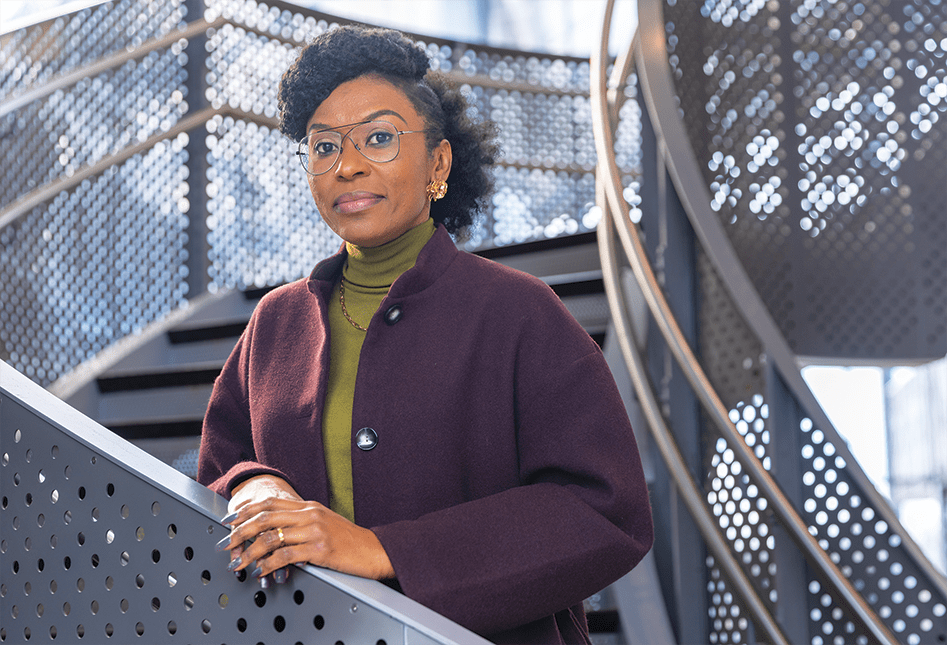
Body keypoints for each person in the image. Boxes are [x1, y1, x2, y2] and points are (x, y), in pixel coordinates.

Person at [197, 25, 653, 645]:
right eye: (323, 146)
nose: (347, 165)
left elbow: (603, 512)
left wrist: (384, 550)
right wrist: (254, 482)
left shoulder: (521, 313)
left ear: (438, 162)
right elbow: (219, 465)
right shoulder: (276, 323)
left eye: (378, 138)